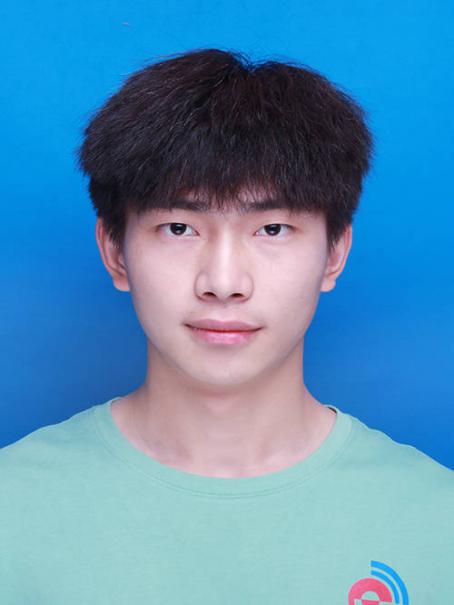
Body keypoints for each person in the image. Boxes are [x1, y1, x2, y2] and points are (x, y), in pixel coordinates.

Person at [1, 47, 452, 604]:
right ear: (114, 251)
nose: (223, 282)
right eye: (178, 228)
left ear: (335, 253)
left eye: (272, 229)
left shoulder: (436, 521)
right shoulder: (12, 506)